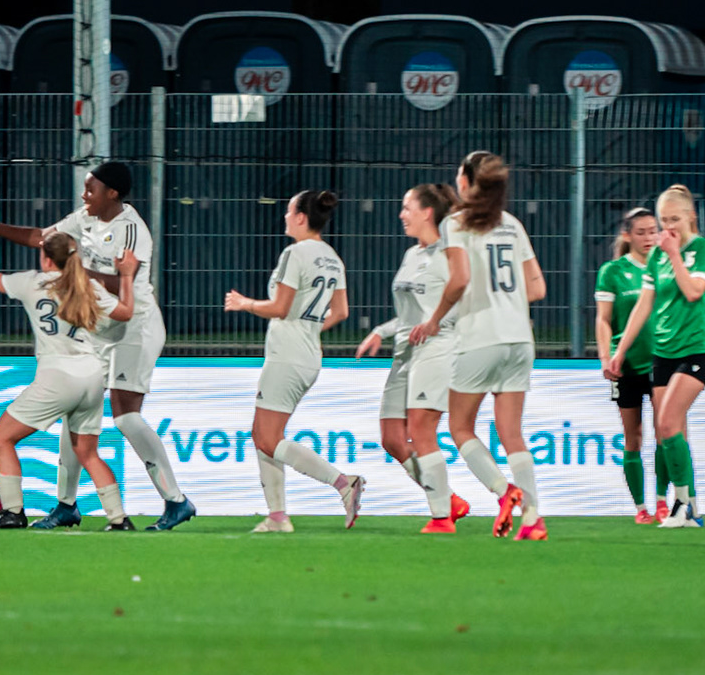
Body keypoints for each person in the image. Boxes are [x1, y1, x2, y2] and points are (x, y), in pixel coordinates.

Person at [0, 161, 195, 532]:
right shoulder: (86, 217)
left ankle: (176, 500)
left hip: (132, 326)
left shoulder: (132, 229)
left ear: (112, 194)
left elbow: (124, 279)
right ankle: (66, 505)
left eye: (90, 189)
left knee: (125, 417)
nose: (84, 195)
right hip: (99, 328)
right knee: (74, 414)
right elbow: (43, 237)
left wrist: (70, 269)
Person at [0, 234, 139, 530]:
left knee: (3, 438)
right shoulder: (87, 285)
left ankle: (12, 511)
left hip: (57, 378)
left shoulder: (34, 282)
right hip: (92, 376)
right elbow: (126, 312)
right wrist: (127, 275)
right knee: (88, 453)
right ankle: (119, 518)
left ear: (47, 259)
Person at [224, 189, 363, 533]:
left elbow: (280, 307)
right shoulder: (332, 257)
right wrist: (311, 327)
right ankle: (277, 515)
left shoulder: (295, 253)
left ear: (301, 217)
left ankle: (343, 483)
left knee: (267, 438)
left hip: (287, 355)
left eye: (288, 212)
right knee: (264, 434)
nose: (285, 217)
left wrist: (245, 304)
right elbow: (342, 311)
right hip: (308, 354)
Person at [354, 183, 473, 532]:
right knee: (392, 438)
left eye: (407, 207)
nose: (401, 214)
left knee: (422, 431)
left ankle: (441, 516)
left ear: (427, 212)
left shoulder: (450, 255)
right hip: (404, 351)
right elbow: (410, 315)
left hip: (435, 350)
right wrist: (382, 331)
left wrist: (439, 325)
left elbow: (459, 304)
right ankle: (448, 498)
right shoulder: (411, 255)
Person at [445, 152, 550, 542]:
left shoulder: (456, 224)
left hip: (479, 337)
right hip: (520, 338)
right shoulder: (512, 225)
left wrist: (437, 316)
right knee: (512, 433)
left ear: (469, 182)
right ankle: (534, 518)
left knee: (460, 426)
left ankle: (504, 491)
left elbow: (458, 281)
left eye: (460, 172)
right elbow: (538, 287)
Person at [607, 184, 705, 528]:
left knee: (667, 423)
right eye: (663, 220)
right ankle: (692, 506)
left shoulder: (704, 250)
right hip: (664, 352)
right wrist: (619, 351)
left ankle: (682, 505)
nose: (668, 227)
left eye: (674, 219)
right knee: (671, 432)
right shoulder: (657, 256)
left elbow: (692, 291)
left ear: (691, 217)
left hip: (696, 349)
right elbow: (644, 304)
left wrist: (672, 254)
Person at [595, 206, 670, 524]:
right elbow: (603, 319)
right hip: (625, 364)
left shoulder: (667, 267)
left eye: (653, 231)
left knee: (665, 431)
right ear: (627, 236)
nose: (649, 238)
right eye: (641, 232)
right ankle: (641, 508)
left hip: (661, 359)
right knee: (633, 437)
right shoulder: (612, 271)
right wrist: (605, 355)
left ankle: (663, 501)